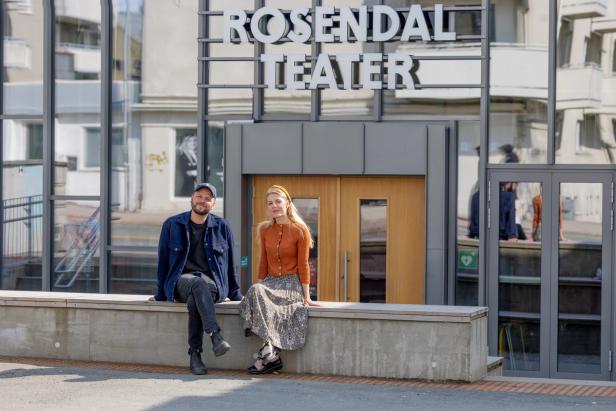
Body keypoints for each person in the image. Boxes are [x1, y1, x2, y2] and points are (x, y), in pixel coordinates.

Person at [149, 182, 242, 375]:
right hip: (180, 282)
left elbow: (231, 263)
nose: (202, 201)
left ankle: (195, 354)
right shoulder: (172, 224)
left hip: (212, 285)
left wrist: (236, 294)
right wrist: (160, 294)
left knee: (196, 297)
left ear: (213, 204)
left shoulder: (222, 226)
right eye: (199, 196)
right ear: (192, 198)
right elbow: (163, 263)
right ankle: (215, 335)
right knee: (196, 283)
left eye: (208, 198)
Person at [239, 185, 319, 375]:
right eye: (270, 203)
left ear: (287, 203)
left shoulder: (300, 231)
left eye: (278, 201)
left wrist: (307, 297)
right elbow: (263, 262)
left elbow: (304, 265)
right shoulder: (265, 229)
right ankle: (270, 353)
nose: (274, 206)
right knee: (255, 291)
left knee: (257, 292)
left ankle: (268, 354)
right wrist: (258, 284)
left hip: (291, 284)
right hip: (270, 282)